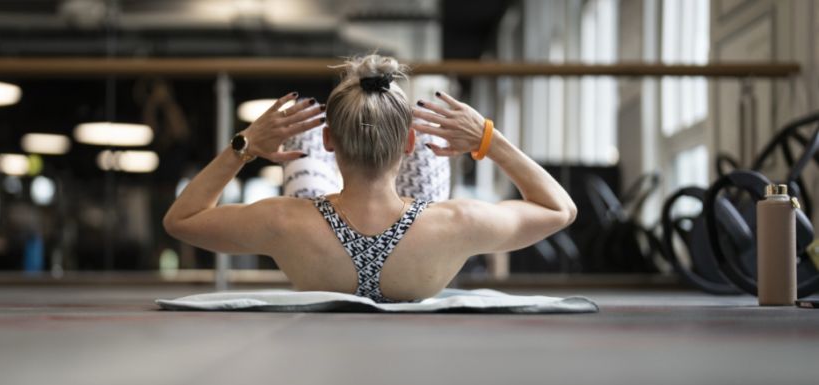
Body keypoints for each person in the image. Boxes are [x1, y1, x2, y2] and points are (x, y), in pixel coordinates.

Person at [164, 55, 577, 302]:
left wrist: (246, 145)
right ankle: (398, 126)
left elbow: (180, 220)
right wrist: (488, 139)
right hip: (422, 239)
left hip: (317, 237)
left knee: (303, 125)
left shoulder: (283, 221)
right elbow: (560, 208)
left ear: (328, 141)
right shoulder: (456, 222)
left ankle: (352, 125)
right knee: (425, 125)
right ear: (409, 143)